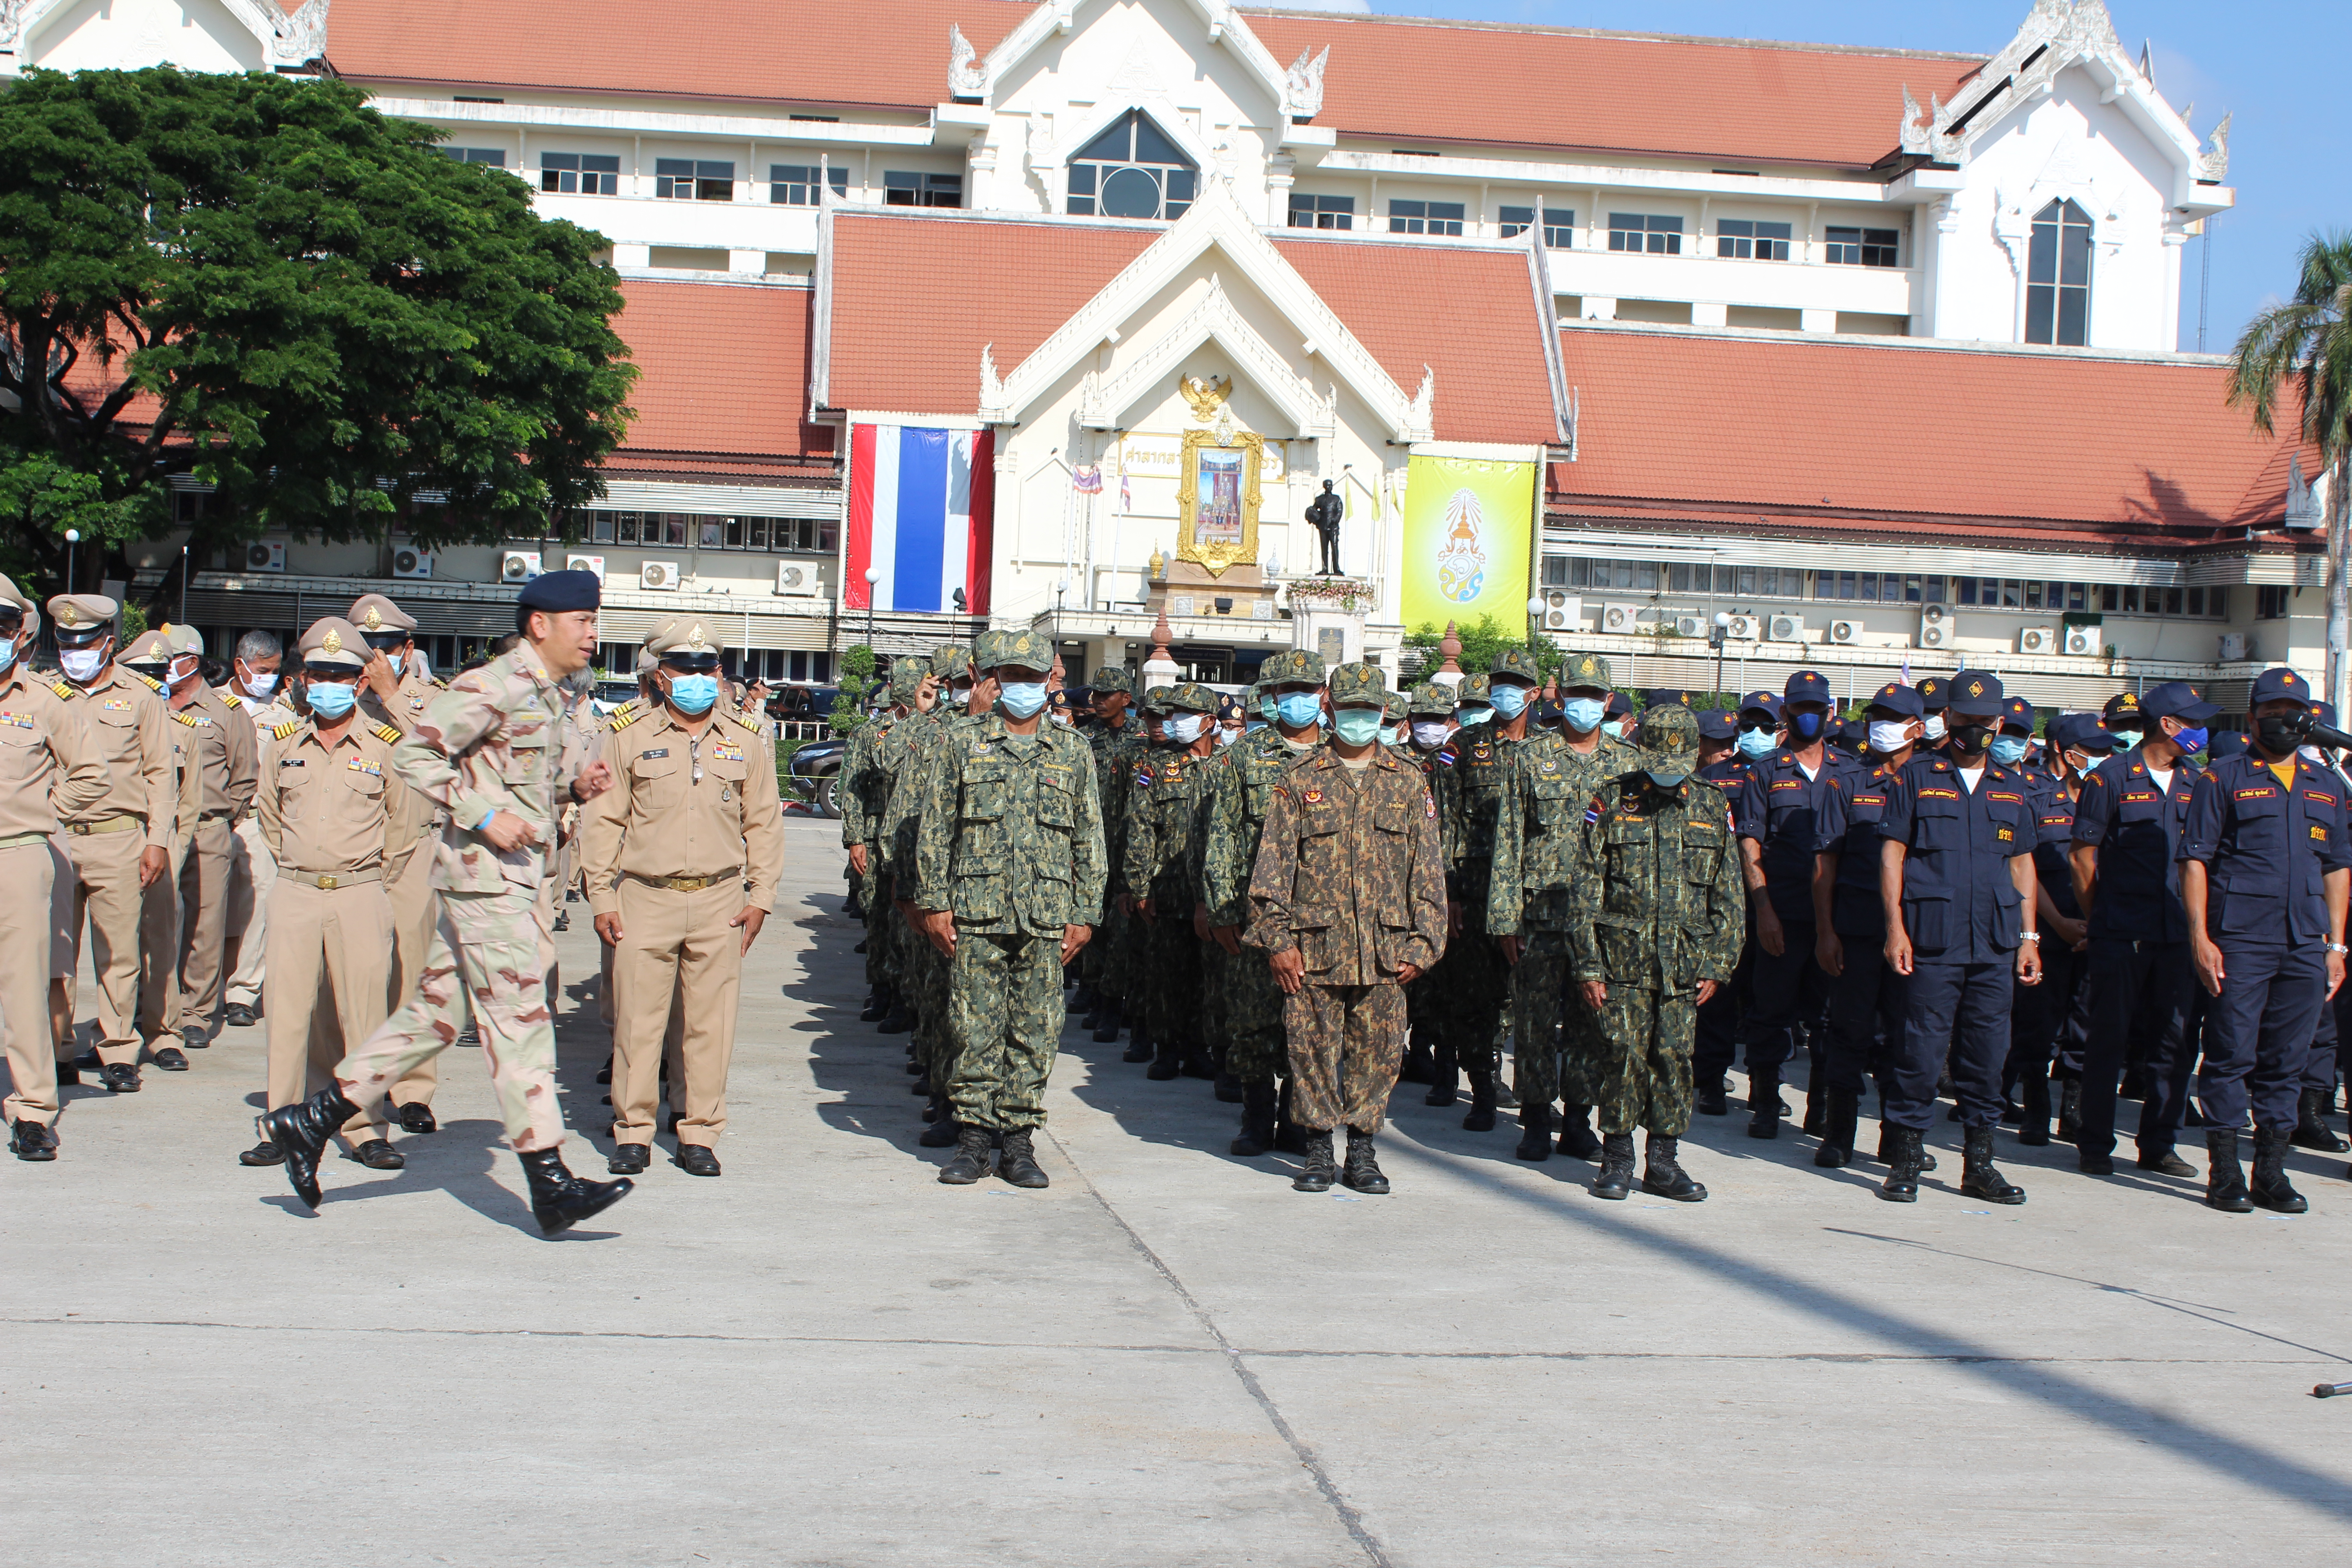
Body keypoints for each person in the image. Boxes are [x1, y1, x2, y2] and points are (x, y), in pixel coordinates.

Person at [260, 568, 631, 1236]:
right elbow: (416, 759)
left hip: (506, 879)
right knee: (522, 1026)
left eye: (595, 620)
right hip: (487, 884)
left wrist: (573, 792)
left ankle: (310, 1119)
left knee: (431, 1020)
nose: (592, 634)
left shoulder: (544, 696)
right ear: (540, 625)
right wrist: (484, 816)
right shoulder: (492, 685)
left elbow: (522, 796)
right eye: (582, 621)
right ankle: (550, 1183)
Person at [583, 617, 786, 1179]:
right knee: (637, 1023)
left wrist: (761, 897)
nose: (696, 678)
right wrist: (601, 895)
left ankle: (698, 1132)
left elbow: (764, 824)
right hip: (645, 896)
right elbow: (602, 820)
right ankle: (634, 1132)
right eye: (683, 668)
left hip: (720, 898)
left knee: (708, 1024)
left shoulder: (744, 739)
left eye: (706, 668)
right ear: (662, 675)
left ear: (718, 674)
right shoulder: (627, 735)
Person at [911, 627, 1106, 1187]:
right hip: (976, 909)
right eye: (1012, 677)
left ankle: (1018, 1142)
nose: (1022, 686)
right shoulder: (963, 741)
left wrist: (1084, 913)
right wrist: (934, 903)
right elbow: (936, 829)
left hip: (1046, 915)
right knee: (973, 1026)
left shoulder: (1072, 750)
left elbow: (1089, 838)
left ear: (1049, 681)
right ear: (996, 682)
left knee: (1036, 1029)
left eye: (1033, 677)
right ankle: (973, 1140)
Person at [1245, 662, 1446, 1194]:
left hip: (1386, 948)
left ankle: (1362, 1152)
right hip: (1315, 949)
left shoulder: (1407, 780)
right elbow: (1271, 873)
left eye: (1368, 710)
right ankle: (1316, 1151)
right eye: (1349, 709)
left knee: (1377, 1054)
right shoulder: (1299, 779)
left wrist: (1424, 944)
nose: (1358, 720)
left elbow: (1427, 871)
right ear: (1331, 709)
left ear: (1383, 713)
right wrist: (1278, 941)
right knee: (1309, 1050)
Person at [240, 618, 430, 1172]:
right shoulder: (283, 745)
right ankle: (281, 1121)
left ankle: (364, 1125)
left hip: (360, 892)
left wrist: (361, 871)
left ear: (359, 683)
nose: (328, 683)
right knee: (288, 1016)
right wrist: (304, 863)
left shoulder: (388, 745)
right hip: (296, 890)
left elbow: (404, 824)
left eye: (341, 675)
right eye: (319, 673)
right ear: (302, 679)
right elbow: (270, 818)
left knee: (364, 1016)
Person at [2179, 666, 2350, 1214]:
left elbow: (2338, 868)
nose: (2284, 720)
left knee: (2288, 1059)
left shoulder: (2327, 786)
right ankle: (2224, 1170)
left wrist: (2337, 945)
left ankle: (2271, 1171)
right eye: (2273, 711)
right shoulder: (2222, 777)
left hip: (2305, 941)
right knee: (2230, 1054)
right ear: (2253, 717)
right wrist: (2201, 937)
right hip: (2240, 939)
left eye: (2293, 710)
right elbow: (2196, 862)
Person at [1567, 704, 1744, 1200]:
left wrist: (1718, 962)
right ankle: (1618, 1158)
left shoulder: (1711, 805)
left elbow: (1728, 894)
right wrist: (1587, 963)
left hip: (1684, 964)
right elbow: (1585, 888)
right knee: (1622, 1057)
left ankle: (1663, 1162)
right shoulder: (1611, 800)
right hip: (1621, 961)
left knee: (1674, 1059)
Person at [1875, 671, 2039, 1205]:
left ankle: (1980, 1163)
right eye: (1967, 722)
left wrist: (2030, 937)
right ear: (1948, 720)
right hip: (1932, 939)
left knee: (1987, 1056)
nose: (1979, 731)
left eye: (1987, 722)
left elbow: (2022, 865)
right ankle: (1905, 1161)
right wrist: (1896, 928)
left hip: (1994, 942)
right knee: (1920, 1052)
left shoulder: (2012, 784)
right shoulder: (1918, 776)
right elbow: (1893, 855)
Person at [1488, 652, 1639, 1160]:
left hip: (1600, 920)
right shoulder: (1530, 756)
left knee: (1588, 1024)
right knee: (1533, 1022)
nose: (1585, 705)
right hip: (1540, 914)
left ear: (1609, 701)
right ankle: (1534, 1120)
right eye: (1576, 695)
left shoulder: (1628, 764)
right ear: (1559, 697)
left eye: (1595, 697)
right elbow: (1509, 840)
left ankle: (1578, 1122)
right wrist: (1504, 917)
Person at [2068, 680, 2213, 1177]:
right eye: (2192, 722)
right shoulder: (2109, 778)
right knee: (2109, 1038)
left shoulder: (2200, 783)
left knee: (2174, 1043)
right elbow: (2084, 857)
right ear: (2167, 726)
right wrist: (2100, 914)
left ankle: (2158, 1144)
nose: (2200, 731)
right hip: (2120, 931)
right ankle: (2094, 1143)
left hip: (2178, 933)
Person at [47, 595, 176, 1096]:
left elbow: (161, 774)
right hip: (56, 838)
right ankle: (58, 1050)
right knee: (56, 955)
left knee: (118, 953)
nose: (73, 653)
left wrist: (157, 841)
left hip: (118, 836)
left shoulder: (141, 697)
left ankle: (119, 1049)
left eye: (85, 644)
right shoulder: (45, 695)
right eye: (65, 644)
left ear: (108, 644)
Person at [1200, 648, 1326, 1155]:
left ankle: (1297, 1119)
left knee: (1312, 1021)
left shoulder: (1340, 759)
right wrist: (1223, 910)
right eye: (1286, 691)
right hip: (1256, 916)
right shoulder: (1243, 758)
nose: (1297, 700)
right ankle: (1256, 1117)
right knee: (1253, 1021)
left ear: (1323, 695)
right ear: (1272, 699)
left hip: (1321, 915)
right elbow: (1222, 837)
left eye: (1307, 689)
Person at [0, 579, 108, 1160]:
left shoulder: (43, 701)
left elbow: (91, 773)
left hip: (17, 854)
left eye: (0, 625)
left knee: (21, 988)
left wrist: (45, 813)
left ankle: (34, 1109)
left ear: (18, 632)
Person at [1419, 650, 1538, 1125]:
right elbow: (1443, 822)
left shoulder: (1546, 749)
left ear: (1534, 692)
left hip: (1529, 893)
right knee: (1469, 993)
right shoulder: (1463, 745)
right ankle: (1478, 1089)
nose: (1505, 693)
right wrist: (1446, 893)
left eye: (1516, 684)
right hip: (1472, 889)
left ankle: (1525, 1092)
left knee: (1523, 998)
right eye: (1499, 683)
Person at [1808, 682, 1924, 1169]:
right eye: (1878, 716)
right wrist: (1826, 931)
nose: (1882, 725)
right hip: (1856, 930)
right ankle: (1838, 1134)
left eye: (1893, 717)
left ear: (1917, 728)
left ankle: (1897, 1139)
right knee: (1849, 1033)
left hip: (1918, 935)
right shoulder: (1848, 784)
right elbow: (1824, 865)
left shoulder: (1933, 784)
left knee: (1906, 1039)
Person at [348, 593, 451, 1133]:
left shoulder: (433, 699)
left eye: (385, 649)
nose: (374, 661)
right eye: (366, 650)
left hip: (415, 851)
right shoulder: (337, 696)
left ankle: (413, 1091)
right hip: (354, 854)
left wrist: (392, 696)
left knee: (413, 975)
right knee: (352, 975)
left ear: (407, 649)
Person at [1734, 669, 1839, 1138]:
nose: (1808, 717)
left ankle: (1820, 1104)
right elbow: (1750, 844)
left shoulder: (1850, 771)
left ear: (1830, 713)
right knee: (1771, 1011)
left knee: (1827, 1018)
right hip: (1782, 913)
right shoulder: (1765, 772)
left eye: (1817, 709)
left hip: (1834, 920)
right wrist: (1765, 911)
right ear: (1786, 713)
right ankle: (1764, 1098)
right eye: (1800, 708)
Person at [2008, 713, 2110, 1148]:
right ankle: (2036, 1111)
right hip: (2050, 931)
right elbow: (2024, 871)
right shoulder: (2037, 800)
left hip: (2101, 931)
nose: (2104, 760)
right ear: (2070, 755)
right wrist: (2057, 924)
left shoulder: (2116, 802)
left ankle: (2073, 1112)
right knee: (2038, 1026)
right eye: (2096, 752)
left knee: (2087, 1027)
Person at [156, 623, 258, 1053]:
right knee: (153, 925)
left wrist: (220, 820)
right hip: (158, 831)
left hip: (208, 829)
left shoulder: (225, 711)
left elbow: (244, 775)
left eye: (168, 662)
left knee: (205, 924)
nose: (162, 670)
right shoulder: (150, 705)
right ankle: (154, 1011)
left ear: (190, 662)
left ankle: (196, 1013)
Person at [1122, 682, 1220, 1082]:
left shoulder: (1226, 766)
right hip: (1168, 890)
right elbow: (1140, 829)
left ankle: (1201, 1048)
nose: (1174, 722)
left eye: (1184, 715)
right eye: (1171, 715)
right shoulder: (1158, 768)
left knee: (1208, 978)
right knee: (1166, 975)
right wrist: (1140, 887)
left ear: (1209, 722)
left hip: (1214, 895)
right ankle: (1166, 1048)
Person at [219, 629, 294, 1033]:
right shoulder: (211, 704)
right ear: (240, 666)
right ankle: (197, 990)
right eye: (263, 670)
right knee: (206, 909)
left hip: (255, 820)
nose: (269, 678)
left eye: (274, 671)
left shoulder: (284, 717)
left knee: (257, 907)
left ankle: (242, 993)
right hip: (212, 820)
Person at [1081, 667, 1142, 1045]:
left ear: (1126, 698)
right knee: (1092, 923)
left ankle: (1115, 1002)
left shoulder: (1142, 739)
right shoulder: (1085, 738)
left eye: (1107, 694)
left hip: (1127, 846)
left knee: (1122, 932)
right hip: (1091, 844)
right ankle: (1094, 992)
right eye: (1096, 694)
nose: (1099, 701)